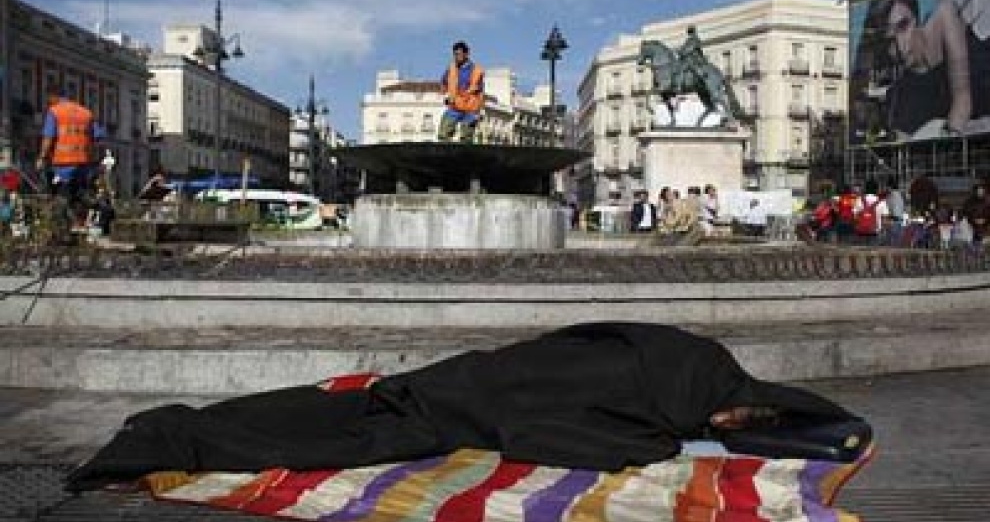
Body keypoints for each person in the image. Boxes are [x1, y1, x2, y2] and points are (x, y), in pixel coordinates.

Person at [64, 322, 866, 492]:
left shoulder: (681, 365)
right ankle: (176, 435)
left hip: (470, 377)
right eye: (730, 421)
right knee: (335, 438)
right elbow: (543, 428)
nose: (719, 427)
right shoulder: (673, 397)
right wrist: (649, 449)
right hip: (462, 402)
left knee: (336, 415)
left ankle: (173, 428)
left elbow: (576, 347)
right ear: (731, 403)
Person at [880, 0, 990, 140]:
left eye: (903, 26)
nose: (900, 45)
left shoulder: (944, 17)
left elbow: (962, 100)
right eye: (890, 39)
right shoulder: (901, 97)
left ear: (916, 19)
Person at [35, 86, 103, 231]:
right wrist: (94, 160)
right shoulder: (85, 112)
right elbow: (97, 138)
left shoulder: (55, 111)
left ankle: (63, 228)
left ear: (53, 97)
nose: (48, 103)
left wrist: (41, 157)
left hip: (63, 163)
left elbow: (48, 137)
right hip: (83, 164)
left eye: (48, 100)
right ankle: (81, 225)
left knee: (62, 195)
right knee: (80, 194)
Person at [438, 41, 484, 143]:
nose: (456, 57)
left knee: (466, 139)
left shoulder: (476, 70)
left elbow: (479, 92)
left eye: (459, 54)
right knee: (443, 134)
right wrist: (445, 95)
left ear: (466, 54)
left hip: (470, 109)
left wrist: (479, 111)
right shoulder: (451, 68)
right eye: (455, 54)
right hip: (454, 107)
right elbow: (444, 83)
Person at [674, 26, 705, 95]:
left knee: (683, 67)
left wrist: (682, 52)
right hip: (689, 57)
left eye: (691, 32)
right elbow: (684, 48)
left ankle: (679, 86)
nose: (690, 34)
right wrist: (679, 51)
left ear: (694, 32)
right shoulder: (688, 41)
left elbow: (690, 48)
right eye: (689, 32)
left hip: (694, 58)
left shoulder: (695, 39)